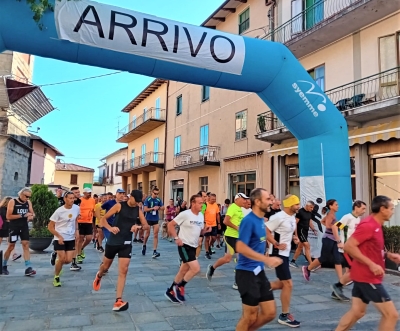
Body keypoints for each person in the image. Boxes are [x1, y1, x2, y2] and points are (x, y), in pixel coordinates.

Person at [335, 196, 400, 331]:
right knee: (391, 315)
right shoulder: (367, 225)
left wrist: (387, 255)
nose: (393, 212)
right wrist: (371, 264)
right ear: (382, 209)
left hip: (361, 275)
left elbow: (368, 248)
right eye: (391, 209)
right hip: (368, 277)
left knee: (357, 312)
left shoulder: (374, 225)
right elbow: (348, 246)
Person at [93, 190, 149, 311]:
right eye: (136, 200)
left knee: (123, 270)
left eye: (140, 201)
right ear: (131, 197)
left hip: (126, 243)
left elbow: (146, 226)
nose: (138, 203)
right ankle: (99, 275)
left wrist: (138, 226)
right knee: (105, 267)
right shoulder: (119, 206)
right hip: (113, 242)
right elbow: (103, 220)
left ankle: (118, 300)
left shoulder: (138, 210)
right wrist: (110, 228)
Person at [235, 188, 282, 331]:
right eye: (268, 199)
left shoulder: (261, 219)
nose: (271, 202)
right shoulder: (248, 220)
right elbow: (240, 246)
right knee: (249, 316)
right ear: (257, 201)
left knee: (269, 313)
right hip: (246, 273)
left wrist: (274, 243)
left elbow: (262, 237)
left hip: (258, 272)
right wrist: (266, 259)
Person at [164, 194, 211, 303]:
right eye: (200, 203)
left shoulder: (200, 216)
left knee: (183, 270)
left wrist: (205, 231)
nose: (202, 205)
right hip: (184, 245)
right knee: (196, 268)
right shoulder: (185, 214)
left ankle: (170, 290)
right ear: (193, 203)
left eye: (203, 203)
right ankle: (180, 286)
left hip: (193, 246)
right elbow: (170, 225)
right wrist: (176, 238)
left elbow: (199, 231)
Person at [266, 194, 301, 328]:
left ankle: (260, 289)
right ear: (289, 204)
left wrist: (294, 238)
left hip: (285, 253)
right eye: (296, 204)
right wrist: (275, 243)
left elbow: (290, 230)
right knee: (288, 284)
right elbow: (266, 230)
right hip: (278, 253)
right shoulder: (278, 217)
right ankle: (284, 315)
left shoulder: (291, 216)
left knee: (282, 283)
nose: (298, 206)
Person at [206, 193, 249, 289]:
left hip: (238, 238)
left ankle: (236, 281)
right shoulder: (233, 207)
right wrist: (237, 228)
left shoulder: (240, 209)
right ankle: (213, 269)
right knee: (231, 259)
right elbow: (225, 221)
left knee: (234, 259)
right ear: (237, 199)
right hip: (230, 236)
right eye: (244, 199)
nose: (245, 201)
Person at [330, 200, 367, 301]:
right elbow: (334, 226)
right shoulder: (348, 217)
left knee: (351, 271)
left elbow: (350, 232)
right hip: (346, 249)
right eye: (363, 208)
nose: (364, 211)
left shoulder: (358, 219)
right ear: (356, 207)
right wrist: (339, 241)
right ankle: (338, 287)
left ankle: (337, 289)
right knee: (355, 270)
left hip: (353, 249)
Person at [302, 199, 344, 283]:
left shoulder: (333, 214)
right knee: (323, 258)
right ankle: (308, 268)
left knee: (337, 259)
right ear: (331, 206)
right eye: (336, 204)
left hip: (333, 239)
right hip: (328, 239)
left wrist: (342, 226)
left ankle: (342, 280)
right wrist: (338, 226)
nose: (338, 206)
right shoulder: (330, 214)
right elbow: (329, 225)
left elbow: (322, 221)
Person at [48, 191, 80, 287]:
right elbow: (50, 226)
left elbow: (75, 220)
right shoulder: (59, 211)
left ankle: (56, 257)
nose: (72, 200)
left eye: (73, 198)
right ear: (64, 199)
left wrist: (77, 230)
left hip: (70, 237)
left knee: (68, 260)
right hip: (59, 237)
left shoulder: (77, 208)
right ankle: (56, 277)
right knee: (62, 259)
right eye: (70, 198)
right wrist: (59, 236)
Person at [2, 188, 36, 276]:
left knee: (26, 245)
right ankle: (4, 265)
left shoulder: (28, 202)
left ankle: (28, 267)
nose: (27, 198)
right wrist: (23, 215)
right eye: (26, 196)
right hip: (14, 227)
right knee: (11, 246)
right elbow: (8, 216)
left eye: (29, 197)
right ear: (21, 194)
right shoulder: (13, 202)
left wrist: (31, 216)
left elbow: (32, 213)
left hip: (24, 226)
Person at [290, 201, 317, 267]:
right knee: (307, 246)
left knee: (300, 247)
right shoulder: (300, 212)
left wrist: (313, 229)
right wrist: (296, 234)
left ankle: (292, 261)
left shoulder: (310, 212)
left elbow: (310, 222)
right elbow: (295, 223)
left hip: (305, 231)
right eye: (311, 207)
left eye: (312, 208)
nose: (312, 209)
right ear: (307, 206)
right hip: (300, 231)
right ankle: (311, 264)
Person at [143, 187, 164, 258]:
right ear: (152, 192)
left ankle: (154, 251)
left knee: (155, 235)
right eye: (155, 193)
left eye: (157, 194)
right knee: (147, 234)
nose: (156, 195)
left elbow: (163, 207)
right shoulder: (148, 199)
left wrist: (159, 208)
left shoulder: (158, 199)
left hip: (155, 219)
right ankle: (144, 245)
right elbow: (145, 209)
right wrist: (152, 208)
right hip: (148, 219)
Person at [76, 188, 96, 264]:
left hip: (89, 221)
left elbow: (93, 211)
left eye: (90, 193)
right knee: (80, 238)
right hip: (80, 221)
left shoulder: (92, 200)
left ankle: (81, 248)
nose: (89, 194)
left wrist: (96, 221)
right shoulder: (80, 200)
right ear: (84, 193)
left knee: (89, 238)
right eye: (88, 193)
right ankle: (78, 255)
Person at [204, 193, 220, 259]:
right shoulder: (205, 205)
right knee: (207, 238)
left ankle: (210, 246)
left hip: (214, 224)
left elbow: (217, 215)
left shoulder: (215, 205)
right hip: (207, 224)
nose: (214, 200)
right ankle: (207, 252)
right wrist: (204, 223)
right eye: (213, 199)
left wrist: (219, 223)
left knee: (214, 238)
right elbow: (202, 214)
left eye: (215, 199)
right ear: (209, 198)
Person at [195, 191, 208, 259]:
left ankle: (195, 259)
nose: (206, 197)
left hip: (201, 226)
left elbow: (204, 214)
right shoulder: (195, 204)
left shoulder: (205, 204)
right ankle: (185, 259)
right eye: (204, 196)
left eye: (206, 196)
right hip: (194, 225)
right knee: (193, 244)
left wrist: (205, 223)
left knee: (199, 243)